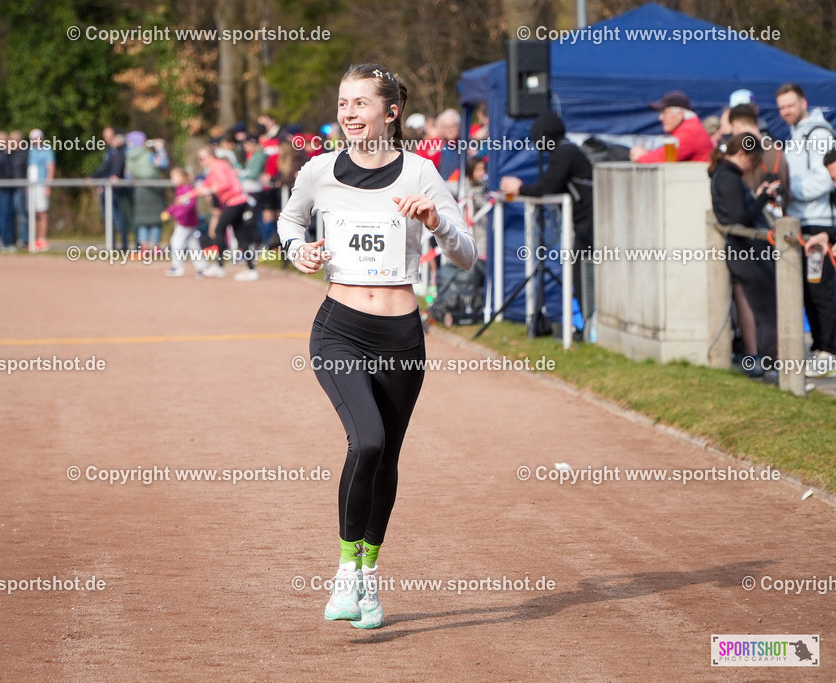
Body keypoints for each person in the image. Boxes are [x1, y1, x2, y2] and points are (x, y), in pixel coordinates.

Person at [277, 63, 477, 629]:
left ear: (390, 112)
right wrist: (300, 251)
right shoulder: (318, 171)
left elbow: (466, 253)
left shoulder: (422, 173)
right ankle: (344, 572)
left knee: (387, 454)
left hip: (400, 336)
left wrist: (436, 220)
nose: (348, 114)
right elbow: (289, 226)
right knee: (365, 440)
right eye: (343, 103)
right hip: (340, 328)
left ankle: (368, 575)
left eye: (360, 104)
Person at [499, 111, 594, 317]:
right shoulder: (566, 151)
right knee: (579, 272)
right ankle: (585, 322)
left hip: (588, 225)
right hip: (584, 224)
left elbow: (548, 187)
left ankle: (587, 323)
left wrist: (519, 188)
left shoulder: (564, 152)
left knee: (581, 274)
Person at [775, 82, 836, 377]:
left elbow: (825, 179)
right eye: (781, 107)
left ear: (803, 103)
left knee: (820, 288)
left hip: (819, 222)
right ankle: (819, 348)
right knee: (809, 290)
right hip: (800, 220)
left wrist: (790, 191)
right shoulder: (795, 135)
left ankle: (830, 351)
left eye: (790, 105)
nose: (786, 111)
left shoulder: (818, 133)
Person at [708, 134, 781, 376]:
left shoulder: (723, 174)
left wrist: (757, 195)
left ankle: (766, 364)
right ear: (742, 154)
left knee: (763, 311)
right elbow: (740, 219)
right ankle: (771, 367)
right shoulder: (728, 177)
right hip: (748, 255)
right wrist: (762, 198)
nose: (753, 167)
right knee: (768, 312)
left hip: (744, 254)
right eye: (754, 161)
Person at [182, 148, 257, 280]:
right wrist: (187, 195)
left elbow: (225, 184)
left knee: (219, 230)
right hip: (235, 202)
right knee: (240, 236)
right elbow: (204, 187)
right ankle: (250, 269)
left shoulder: (217, 167)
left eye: (202, 158)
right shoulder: (214, 170)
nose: (200, 161)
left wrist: (211, 190)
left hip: (235, 202)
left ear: (210, 157)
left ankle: (220, 266)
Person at [630, 91, 713, 163]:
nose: (660, 118)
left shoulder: (690, 132)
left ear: (679, 114)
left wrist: (641, 157)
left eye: (665, 113)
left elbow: (664, 158)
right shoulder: (691, 128)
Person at [125, 131, 168, 256]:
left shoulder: (129, 156)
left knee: (142, 220)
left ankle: (143, 247)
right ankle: (155, 246)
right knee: (155, 219)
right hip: (153, 189)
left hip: (139, 190)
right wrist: (160, 149)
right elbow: (163, 163)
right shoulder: (148, 155)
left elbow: (128, 176)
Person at [165, 167, 205, 277]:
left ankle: (177, 267)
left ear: (182, 178)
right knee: (193, 245)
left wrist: (177, 215)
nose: (172, 179)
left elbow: (188, 207)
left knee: (176, 242)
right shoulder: (180, 190)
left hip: (186, 222)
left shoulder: (187, 190)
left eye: (174, 177)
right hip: (186, 222)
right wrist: (169, 211)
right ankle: (202, 267)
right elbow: (177, 205)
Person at [27, 129, 55, 252]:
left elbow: (51, 168)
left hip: (41, 185)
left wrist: (48, 185)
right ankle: (35, 238)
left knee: (43, 212)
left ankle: (42, 238)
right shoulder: (31, 151)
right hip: (31, 185)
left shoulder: (47, 150)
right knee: (33, 212)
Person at [9, 130, 29, 248]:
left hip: (21, 189)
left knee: (22, 215)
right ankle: (12, 238)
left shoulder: (25, 154)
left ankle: (24, 239)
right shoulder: (9, 154)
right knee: (10, 215)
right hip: (9, 189)